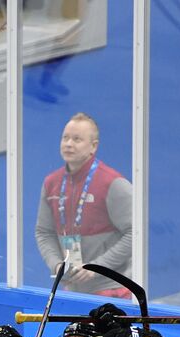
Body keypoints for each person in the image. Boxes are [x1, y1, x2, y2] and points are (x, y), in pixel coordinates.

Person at [35, 113, 133, 297]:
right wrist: (56, 265)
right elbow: (44, 232)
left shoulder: (113, 183)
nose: (68, 144)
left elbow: (135, 234)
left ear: (93, 146)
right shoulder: (51, 183)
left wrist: (97, 267)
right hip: (73, 289)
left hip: (113, 288)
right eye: (65, 138)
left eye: (77, 139)